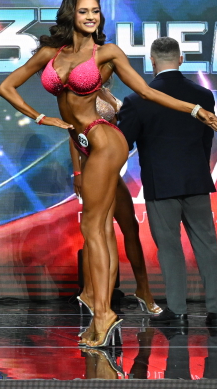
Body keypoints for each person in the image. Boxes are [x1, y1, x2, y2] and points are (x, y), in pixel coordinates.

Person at [0, 0, 217, 349]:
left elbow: (148, 93)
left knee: (94, 226)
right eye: (85, 11)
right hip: (84, 141)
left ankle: (104, 313)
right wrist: (40, 117)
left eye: (96, 11)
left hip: (104, 139)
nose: (92, 17)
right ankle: (101, 310)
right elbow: (7, 87)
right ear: (71, 14)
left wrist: (196, 110)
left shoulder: (107, 53)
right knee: (97, 228)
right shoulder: (50, 53)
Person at [117, 36, 217, 326]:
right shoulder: (203, 95)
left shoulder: (136, 100)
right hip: (196, 180)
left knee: (169, 248)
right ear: (180, 59)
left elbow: (122, 145)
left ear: (151, 62)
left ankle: (178, 312)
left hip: (161, 184)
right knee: (207, 244)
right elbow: (206, 140)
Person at [69, 78, 162, 317]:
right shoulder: (80, 92)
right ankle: (92, 294)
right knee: (99, 232)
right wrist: (78, 172)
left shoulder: (106, 93)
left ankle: (143, 290)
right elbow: (73, 132)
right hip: (94, 165)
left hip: (111, 166)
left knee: (130, 227)